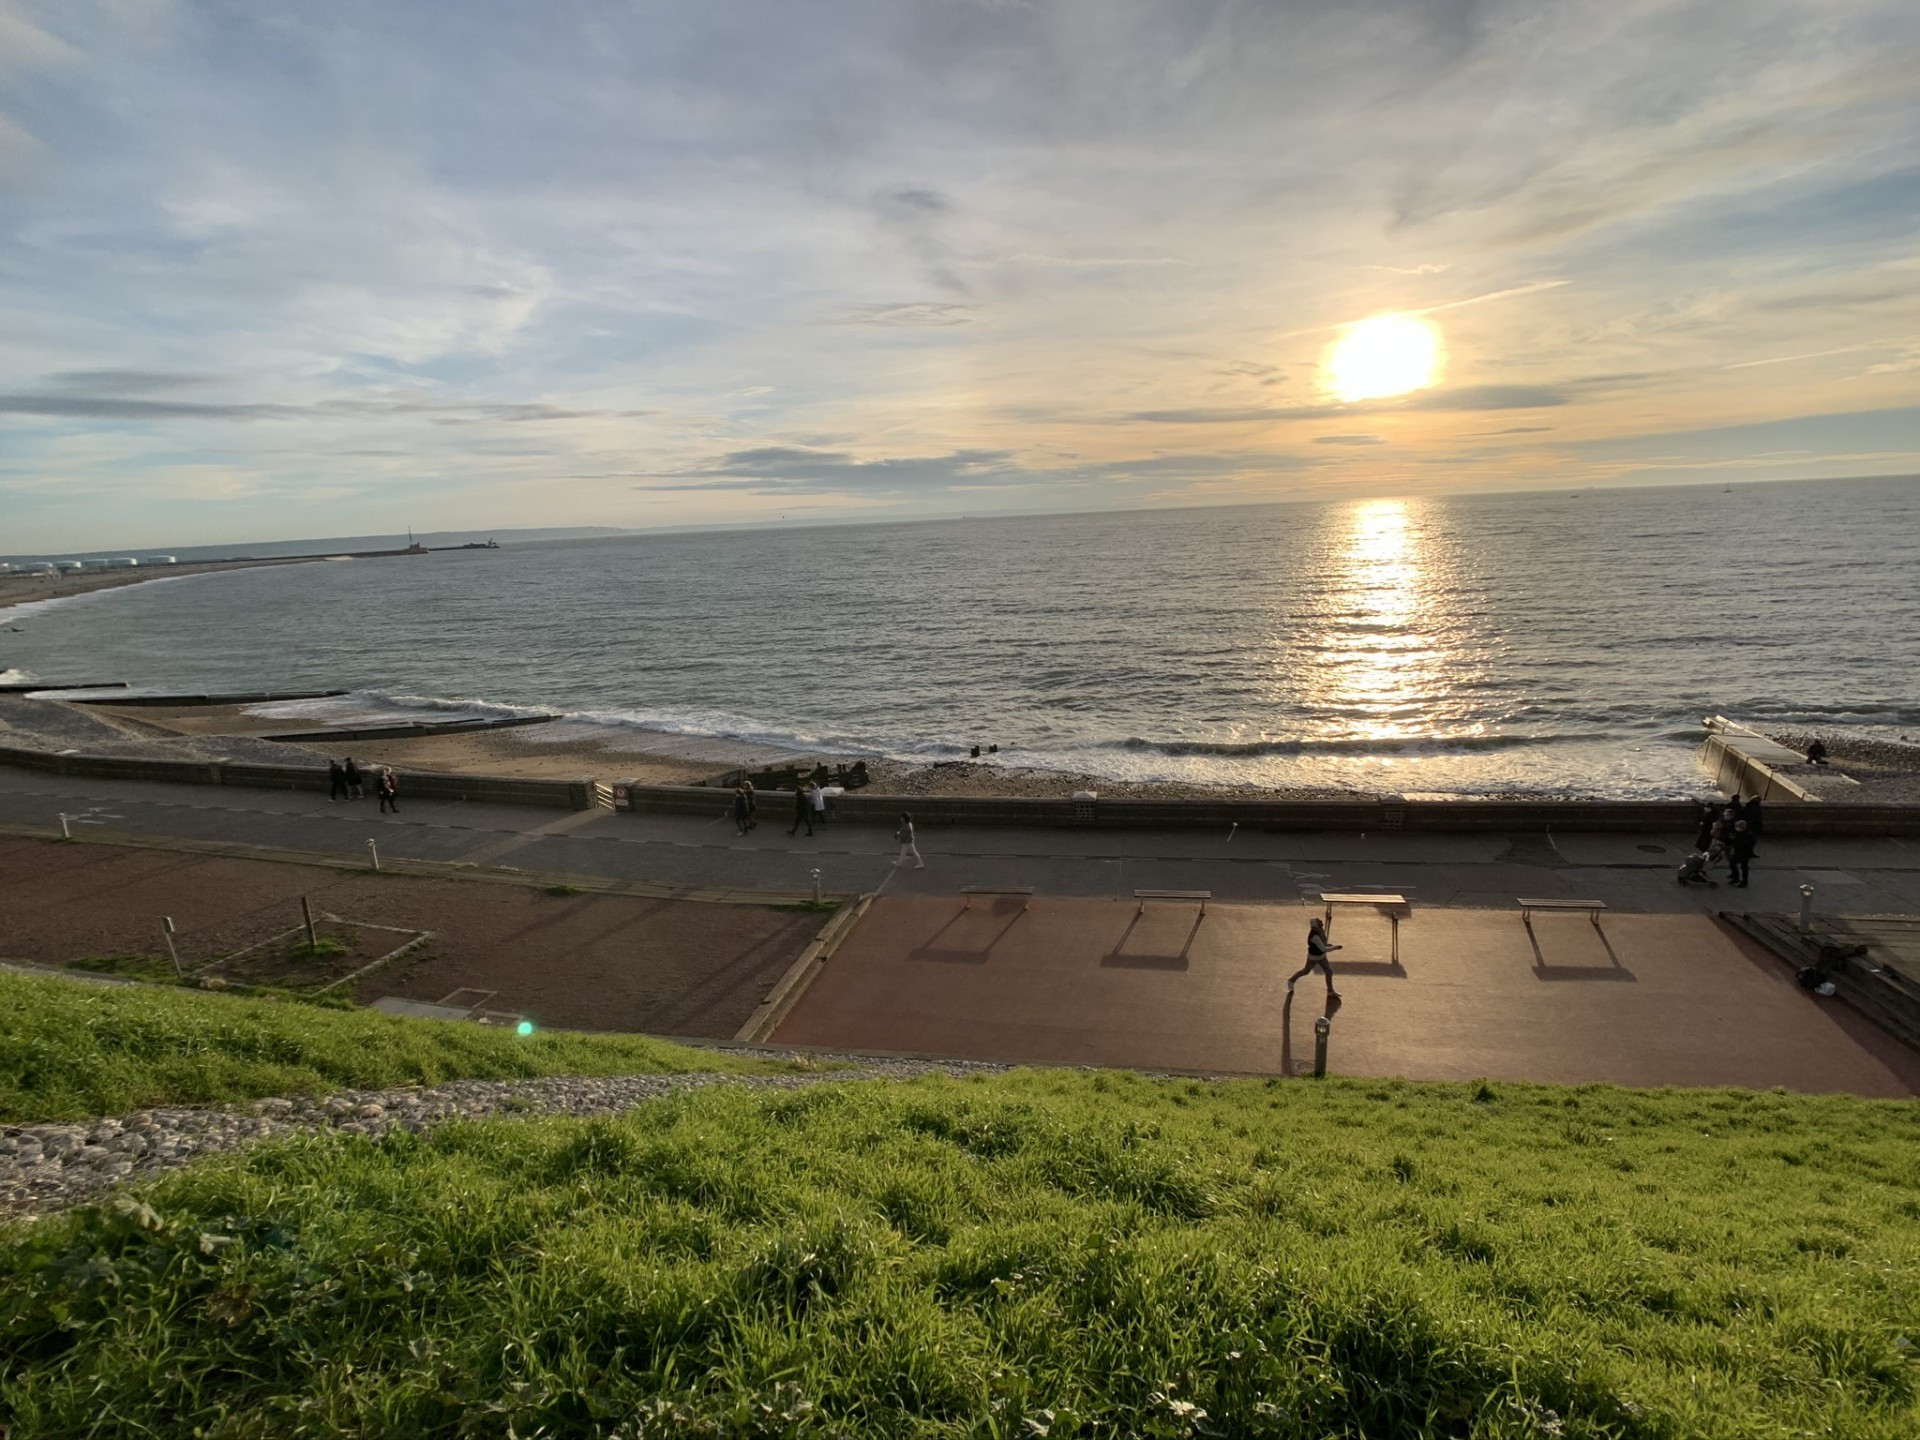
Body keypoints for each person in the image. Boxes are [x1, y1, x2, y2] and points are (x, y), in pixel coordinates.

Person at [1286, 917, 1342, 1001]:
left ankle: (1330, 991)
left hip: (1322, 957)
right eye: (1319, 921)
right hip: (1313, 958)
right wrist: (1335, 947)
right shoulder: (1314, 937)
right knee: (1305, 971)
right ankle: (1291, 980)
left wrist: (1328, 945)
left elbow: (1323, 944)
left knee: (1329, 971)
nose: (1321, 922)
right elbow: (1323, 948)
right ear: (1316, 924)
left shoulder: (1320, 931)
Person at [1728, 820, 1756, 888]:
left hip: (1744, 852)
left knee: (1744, 867)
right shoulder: (1739, 833)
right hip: (1738, 851)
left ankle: (1744, 881)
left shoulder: (1748, 835)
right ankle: (1736, 878)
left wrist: (1739, 845)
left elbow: (1749, 844)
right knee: (1732, 864)